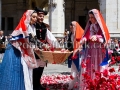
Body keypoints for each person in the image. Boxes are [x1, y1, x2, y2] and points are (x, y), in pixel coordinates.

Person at [0, 10, 38, 90]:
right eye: (33, 17)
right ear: (28, 17)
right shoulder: (23, 27)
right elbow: (22, 38)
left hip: (24, 51)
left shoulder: (32, 27)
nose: (35, 19)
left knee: (25, 72)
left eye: (36, 17)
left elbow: (32, 40)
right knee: (16, 72)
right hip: (16, 53)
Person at [75, 9, 110, 90]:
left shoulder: (101, 26)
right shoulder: (90, 26)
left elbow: (105, 37)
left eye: (92, 17)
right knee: (90, 66)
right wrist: (83, 40)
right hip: (91, 49)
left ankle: (99, 84)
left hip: (99, 50)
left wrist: (97, 37)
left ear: (96, 17)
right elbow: (86, 36)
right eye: (89, 17)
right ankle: (91, 83)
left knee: (98, 65)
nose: (90, 19)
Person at [33, 7, 60, 90]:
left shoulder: (45, 26)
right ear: (36, 16)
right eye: (39, 16)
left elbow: (50, 37)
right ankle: (34, 85)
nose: (41, 17)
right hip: (34, 49)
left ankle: (38, 84)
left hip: (43, 51)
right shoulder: (32, 25)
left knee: (41, 67)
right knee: (35, 69)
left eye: (42, 16)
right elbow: (33, 39)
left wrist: (58, 46)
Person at [67, 21, 84, 89]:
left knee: (80, 69)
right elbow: (70, 44)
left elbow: (84, 44)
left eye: (73, 26)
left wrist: (79, 49)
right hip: (74, 54)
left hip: (80, 54)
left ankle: (80, 85)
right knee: (74, 69)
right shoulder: (71, 34)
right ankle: (74, 84)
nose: (71, 28)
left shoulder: (82, 34)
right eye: (71, 27)